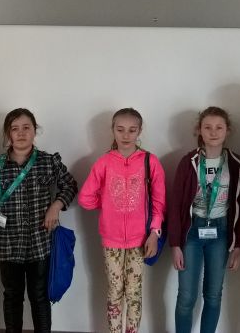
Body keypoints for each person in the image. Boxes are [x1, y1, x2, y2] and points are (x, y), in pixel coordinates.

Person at [0, 108, 78, 333]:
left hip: (40, 243)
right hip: (7, 244)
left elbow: (70, 185)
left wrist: (56, 206)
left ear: (35, 130)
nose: (21, 133)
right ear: (8, 134)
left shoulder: (48, 162)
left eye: (26, 127)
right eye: (15, 129)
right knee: (12, 296)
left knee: (39, 296)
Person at [78, 108, 166, 333]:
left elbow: (159, 202)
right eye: (120, 129)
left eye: (132, 130)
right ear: (113, 130)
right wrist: (108, 204)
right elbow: (85, 198)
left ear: (139, 131)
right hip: (112, 240)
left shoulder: (150, 162)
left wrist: (154, 232)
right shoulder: (104, 162)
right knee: (115, 291)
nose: (126, 135)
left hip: (141, 239)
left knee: (134, 293)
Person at [168, 107, 240, 333]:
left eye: (219, 127)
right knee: (186, 296)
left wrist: (239, 245)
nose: (213, 132)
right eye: (208, 127)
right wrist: (175, 244)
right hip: (191, 233)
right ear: (199, 130)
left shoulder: (237, 164)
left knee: (213, 295)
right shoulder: (189, 162)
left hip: (220, 233)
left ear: (227, 131)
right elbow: (175, 205)